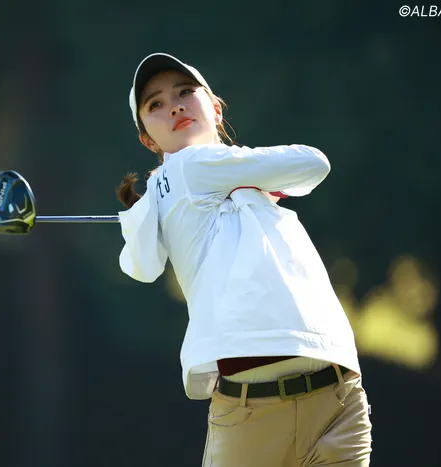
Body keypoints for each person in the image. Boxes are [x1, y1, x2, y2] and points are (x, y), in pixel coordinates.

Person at [116, 53, 373, 466]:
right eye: (156, 104)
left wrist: (250, 185)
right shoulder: (193, 165)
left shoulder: (188, 184)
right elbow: (313, 162)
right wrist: (258, 180)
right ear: (149, 140)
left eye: (185, 92)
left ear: (215, 108)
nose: (175, 107)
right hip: (283, 407)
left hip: (333, 401)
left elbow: (140, 266)